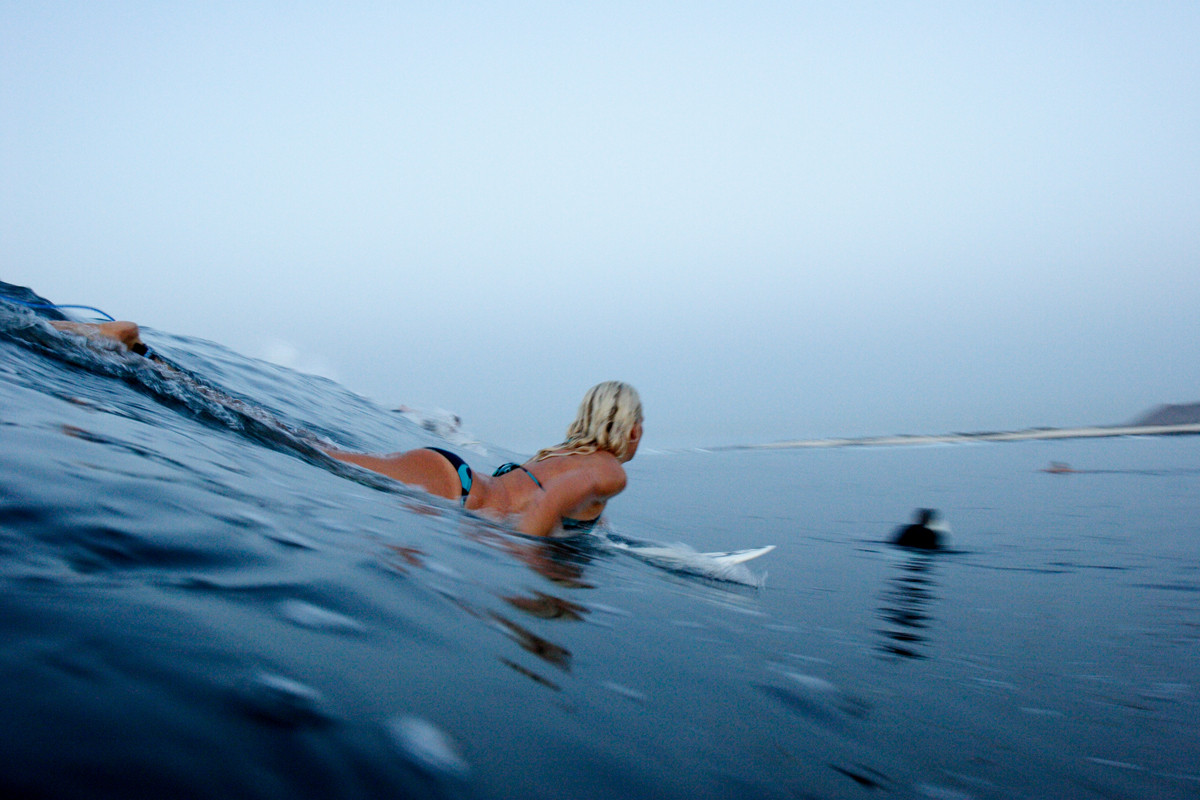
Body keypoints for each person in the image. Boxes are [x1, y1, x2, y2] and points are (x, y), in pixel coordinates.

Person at [45, 319, 643, 539]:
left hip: (450, 473)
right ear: (623, 427)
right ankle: (130, 353)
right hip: (455, 495)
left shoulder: (571, 457)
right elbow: (543, 514)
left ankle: (138, 357)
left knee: (295, 440)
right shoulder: (607, 471)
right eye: (639, 424)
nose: (641, 435)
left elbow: (559, 500)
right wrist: (534, 602)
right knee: (285, 442)